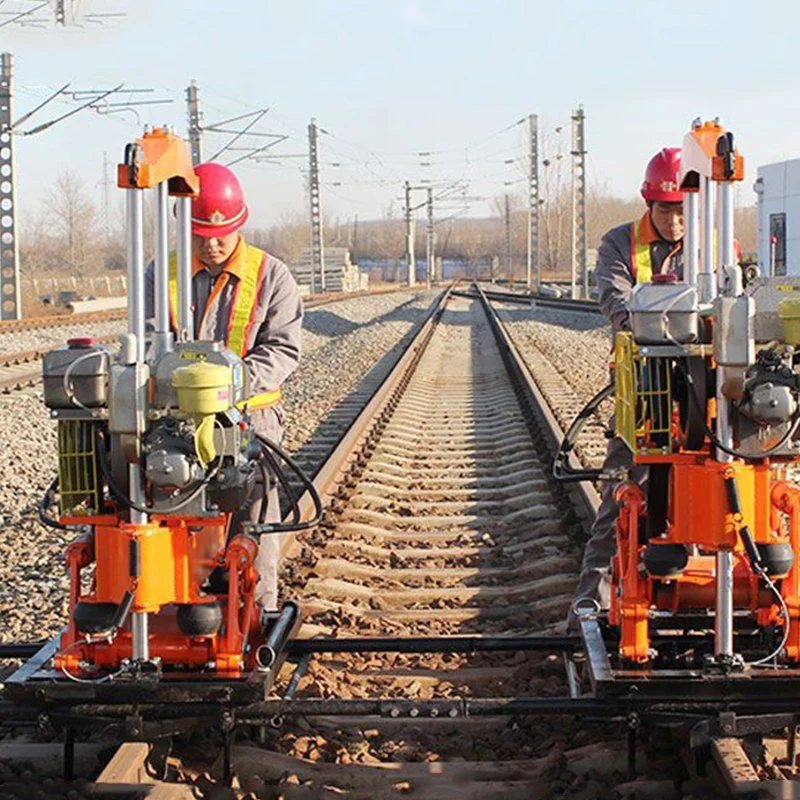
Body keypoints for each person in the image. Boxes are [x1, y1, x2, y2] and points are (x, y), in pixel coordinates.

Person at [145, 161, 303, 610]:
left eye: (221, 234)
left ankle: (257, 617)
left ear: (239, 226)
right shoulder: (164, 275)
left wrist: (229, 386)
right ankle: (178, 617)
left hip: (252, 422)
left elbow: (283, 350)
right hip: (175, 425)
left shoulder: (272, 276)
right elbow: (151, 339)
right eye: (201, 235)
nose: (211, 244)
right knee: (176, 521)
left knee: (251, 527)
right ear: (185, 227)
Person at [567, 147, 684, 631]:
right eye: (666, 210)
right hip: (647, 396)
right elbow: (612, 294)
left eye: (682, 211)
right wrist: (638, 323)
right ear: (648, 203)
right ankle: (586, 608)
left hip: (710, 397)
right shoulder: (620, 243)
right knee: (622, 497)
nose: (675, 222)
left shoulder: (715, 241)